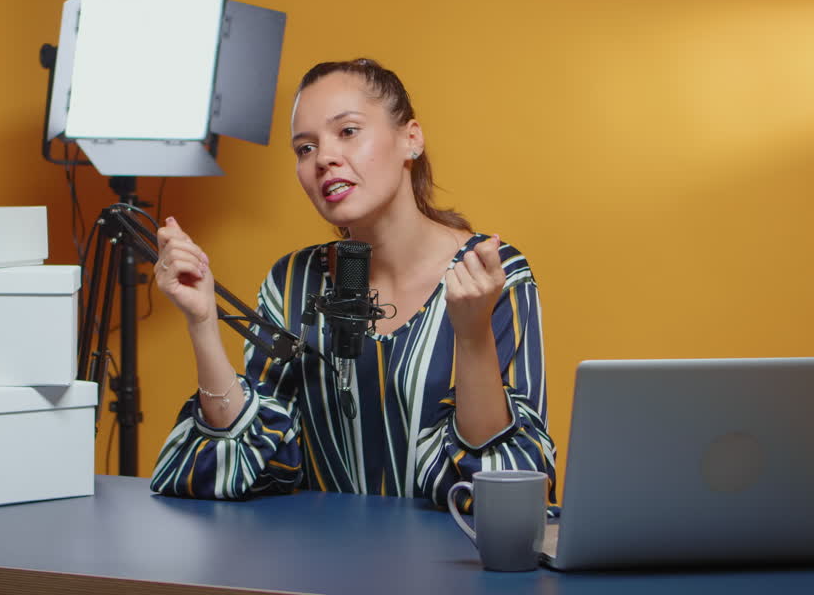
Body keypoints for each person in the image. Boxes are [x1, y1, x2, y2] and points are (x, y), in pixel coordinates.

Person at [149, 58, 555, 508]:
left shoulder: (491, 274)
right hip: (314, 565)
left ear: (411, 139)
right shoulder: (292, 282)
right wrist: (203, 322)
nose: (323, 158)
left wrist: (473, 334)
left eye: (347, 131)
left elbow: (503, 488)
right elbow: (250, 463)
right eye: (305, 148)